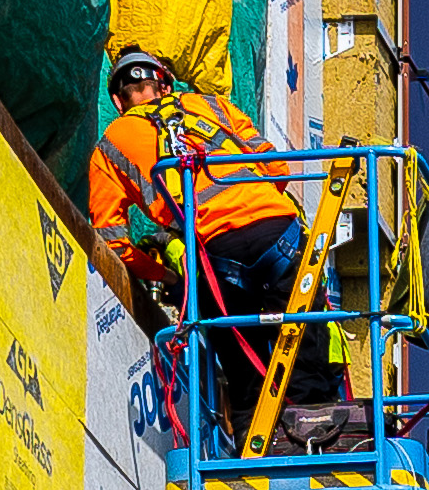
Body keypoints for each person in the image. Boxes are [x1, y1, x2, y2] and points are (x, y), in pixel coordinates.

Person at [85, 48, 321, 434]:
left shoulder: (111, 145)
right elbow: (276, 167)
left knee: (242, 368)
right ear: (166, 82)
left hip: (216, 256)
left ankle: (253, 444)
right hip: (277, 232)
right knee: (300, 343)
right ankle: (320, 435)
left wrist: (166, 277)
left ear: (116, 100)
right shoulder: (213, 105)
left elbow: (112, 240)